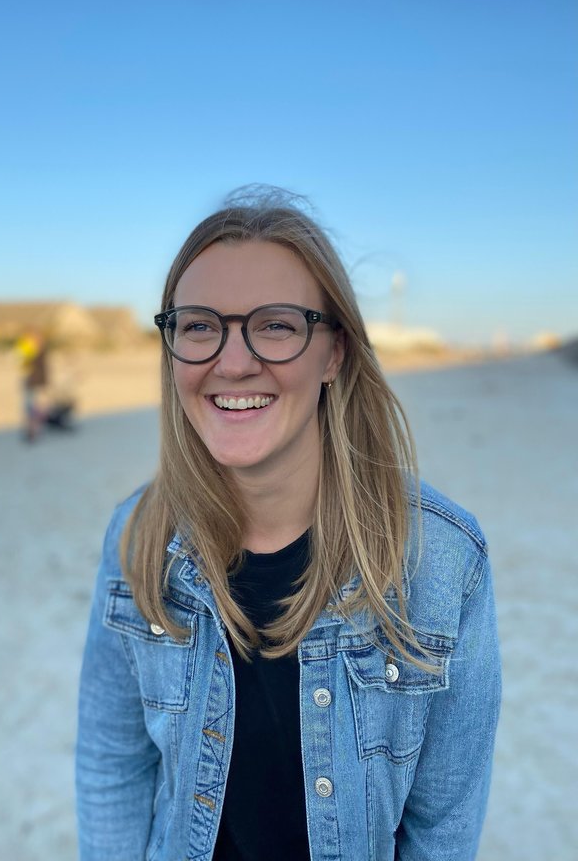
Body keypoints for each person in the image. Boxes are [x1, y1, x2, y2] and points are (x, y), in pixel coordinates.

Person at [75, 187, 501, 861]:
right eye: (199, 326)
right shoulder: (140, 536)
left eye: (276, 325)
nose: (232, 361)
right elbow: (112, 766)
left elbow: (442, 827)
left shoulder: (444, 559)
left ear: (334, 354)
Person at [15, 328, 49, 441]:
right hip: (31, 381)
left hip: (35, 382)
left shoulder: (38, 350)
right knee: (30, 407)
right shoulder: (30, 349)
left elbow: (42, 369)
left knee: (36, 407)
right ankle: (32, 430)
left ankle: (34, 430)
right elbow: (21, 361)